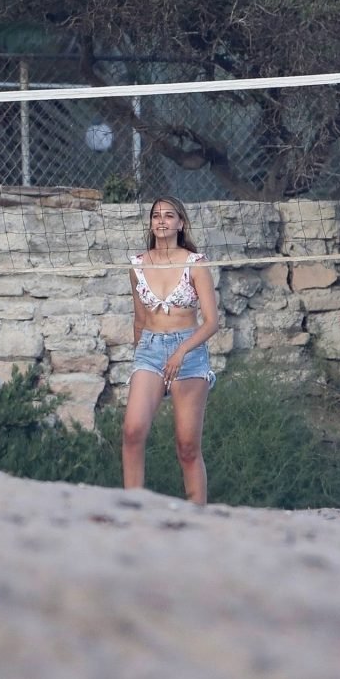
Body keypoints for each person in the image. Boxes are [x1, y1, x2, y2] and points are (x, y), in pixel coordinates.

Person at [122, 196, 218, 505]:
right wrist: (142, 356)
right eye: (156, 216)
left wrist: (180, 352)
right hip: (150, 350)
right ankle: (133, 508)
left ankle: (197, 513)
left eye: (168, 215)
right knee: (133, 431)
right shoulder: (137, 265)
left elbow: (212, 322)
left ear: (180, 223)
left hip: (188, 352)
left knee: (187, 447)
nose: (161, 220)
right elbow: (139, 319)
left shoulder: (195, 264)